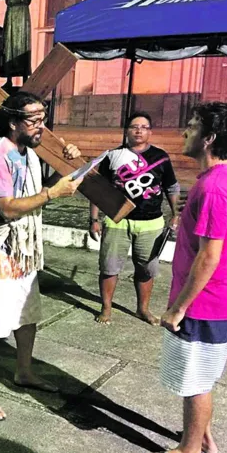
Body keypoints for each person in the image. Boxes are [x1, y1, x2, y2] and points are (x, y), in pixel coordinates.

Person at [144, 103, 227, 453]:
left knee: (195, 381)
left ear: (209, 139)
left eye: (190, 127)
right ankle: (203, 439)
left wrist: (178, 308)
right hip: (220, 300)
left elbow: (209, 257)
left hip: (204, 304)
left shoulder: (215, 187)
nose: (183, 133)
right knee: (201, 374)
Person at [0, 92, 83, 421]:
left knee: (27, 310)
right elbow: (5, 206)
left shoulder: (30, 152)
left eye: (43, 119)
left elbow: (34, 191)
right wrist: (51, 192)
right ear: (14, 122)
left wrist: (68, 165)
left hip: (24, 244)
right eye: (33, 121)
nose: (40, 127)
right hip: (0, 244)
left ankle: (24, 371)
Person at [90, 112, 180, 326]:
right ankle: (106, 308)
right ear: (126, 130)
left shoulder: (161, 157)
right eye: (134, 126)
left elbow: (171, 187)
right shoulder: (113, 156)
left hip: (152, 222)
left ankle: (143, 309)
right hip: (116, 220)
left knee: (147, 269)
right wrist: (93, 218)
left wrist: (175, 214)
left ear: (150, 131)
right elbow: (97, 189)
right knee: (109, 267)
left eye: (144, 127)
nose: (138, 130)